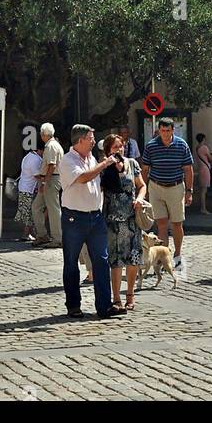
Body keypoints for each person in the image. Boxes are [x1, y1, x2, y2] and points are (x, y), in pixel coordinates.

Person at [58, 124, 123, 320]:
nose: (94, 141)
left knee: (101, 261)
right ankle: (73, 305)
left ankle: (104, 306)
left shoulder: (91, 158)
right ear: (80, 141)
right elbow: (84, 178)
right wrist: (105, 164)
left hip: (95, 217)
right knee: (71, 262)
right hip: (74, 218)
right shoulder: (68, 161)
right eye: (91, 138)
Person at [102, 132, 147, 311]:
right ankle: (116, 298)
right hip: (113, 221)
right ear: (108, 150)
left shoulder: (132, 164)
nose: (119, 149)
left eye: (121, 146)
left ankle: (130, 295)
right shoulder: (104, 167)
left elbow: (141, 185)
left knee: (133, 259)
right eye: (115, 147)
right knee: (115, 261)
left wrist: (140, 199)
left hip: (131, 220)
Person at [141, 117, 194, 266]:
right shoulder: (151, 146)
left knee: (177, 223)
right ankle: (163, 255)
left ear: (173, 130)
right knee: (161, 223)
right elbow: (145, 169)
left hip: (176, 187)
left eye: (168, 131)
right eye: (162, 131)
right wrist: (143, 189)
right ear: (159, 130)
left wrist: (189, 191)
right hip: (156, 187)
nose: (165, 134)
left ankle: (177, 254)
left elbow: (188, 169)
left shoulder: (181, 145)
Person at [33, 124, 63, 247]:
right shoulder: (54, 145)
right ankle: (42, 235)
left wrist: (45, 181)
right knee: (36, 207)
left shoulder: (51, 146)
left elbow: (52, 165)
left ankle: (57, 238)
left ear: (44, 134)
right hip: (50, 179)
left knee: (53, 209)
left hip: (51, 180)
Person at [15, 141, 47, 244]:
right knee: (30, 212)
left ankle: (30, 233)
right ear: (40, 150)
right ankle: (26, 234)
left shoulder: (28, 156)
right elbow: (37, 175)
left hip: (25, 187)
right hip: (29, 189)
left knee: (28, 212)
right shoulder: (35, 159)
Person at [194, 133, 212, 214]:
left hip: (200, 169)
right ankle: (203, 208)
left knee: (201, 189)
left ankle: (202, 208)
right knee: (204, 190)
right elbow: (210, 158)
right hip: (205, 170)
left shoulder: (197, 148)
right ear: (203, 139)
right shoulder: (204, 147)